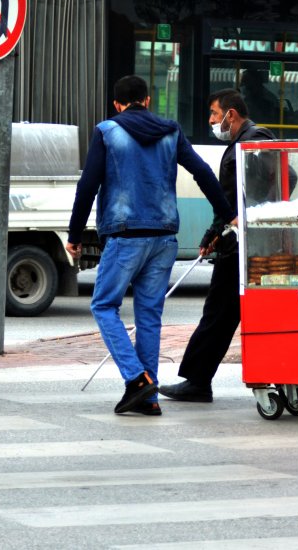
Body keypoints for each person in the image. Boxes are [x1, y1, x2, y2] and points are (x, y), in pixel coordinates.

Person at [66, 75, 236, 416]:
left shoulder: (107, 131)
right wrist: (227, 214)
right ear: (146, 101)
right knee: (149, 317)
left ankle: (137, 379)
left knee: (103, 306)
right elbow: (203, 172)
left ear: (117, 104)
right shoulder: (171, 132)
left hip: (125, 235)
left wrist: (73, 234)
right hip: (163, 238)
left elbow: (88, 186)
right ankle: (149, 398)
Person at [159, 90, 286, 404]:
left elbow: (237, 201)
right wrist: (218, 231)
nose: (211, 121)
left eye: (214, 114)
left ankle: (198, 381)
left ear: (231, 114)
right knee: (233, 315)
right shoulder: (246, 144)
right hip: (248, 244)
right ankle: (284, 379)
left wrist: (240, 222)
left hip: (245, 248)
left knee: (218, 314)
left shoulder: (252, 143)